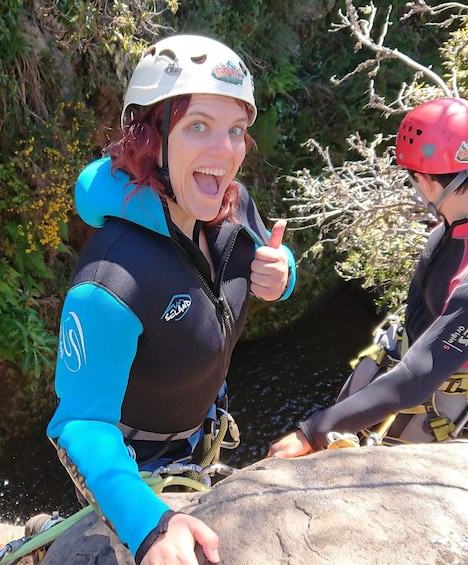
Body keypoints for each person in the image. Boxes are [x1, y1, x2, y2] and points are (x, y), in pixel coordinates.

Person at [47, 34, 296, 565]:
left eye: (236, 131)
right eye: (198, 126)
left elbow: (268, 254)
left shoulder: (231, 205)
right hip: (134, 467)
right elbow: (81, 424)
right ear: (150, 136)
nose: (225, 151)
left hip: (201, 435)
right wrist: (148, 527)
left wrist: (283, 274)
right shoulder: (110, 279)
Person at [268, 97, 468, 458]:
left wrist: (312, 433)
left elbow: (417, 378)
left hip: (427, 406)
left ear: (426, 182)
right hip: (400, 367)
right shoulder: (465, 223)